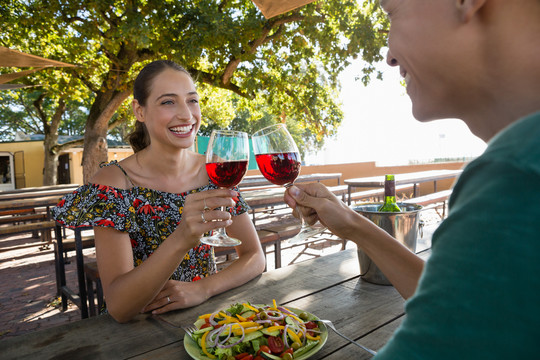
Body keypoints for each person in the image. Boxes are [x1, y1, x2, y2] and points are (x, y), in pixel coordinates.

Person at [284, 0, 540, 358]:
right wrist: (353, 225)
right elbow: (460, 302)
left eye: (391, 12)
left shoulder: (516, 178)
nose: (388, 56)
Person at [53, 60, 266, 323]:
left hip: (205, 321)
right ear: (139, 111)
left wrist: (203, 289)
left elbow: (255, 257)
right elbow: (119, 306)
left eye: (192, 100)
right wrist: (182, 237)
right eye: (168, 102)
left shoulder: (215, 170)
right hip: (139, 332)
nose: (187, 115)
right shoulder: (114, 182)